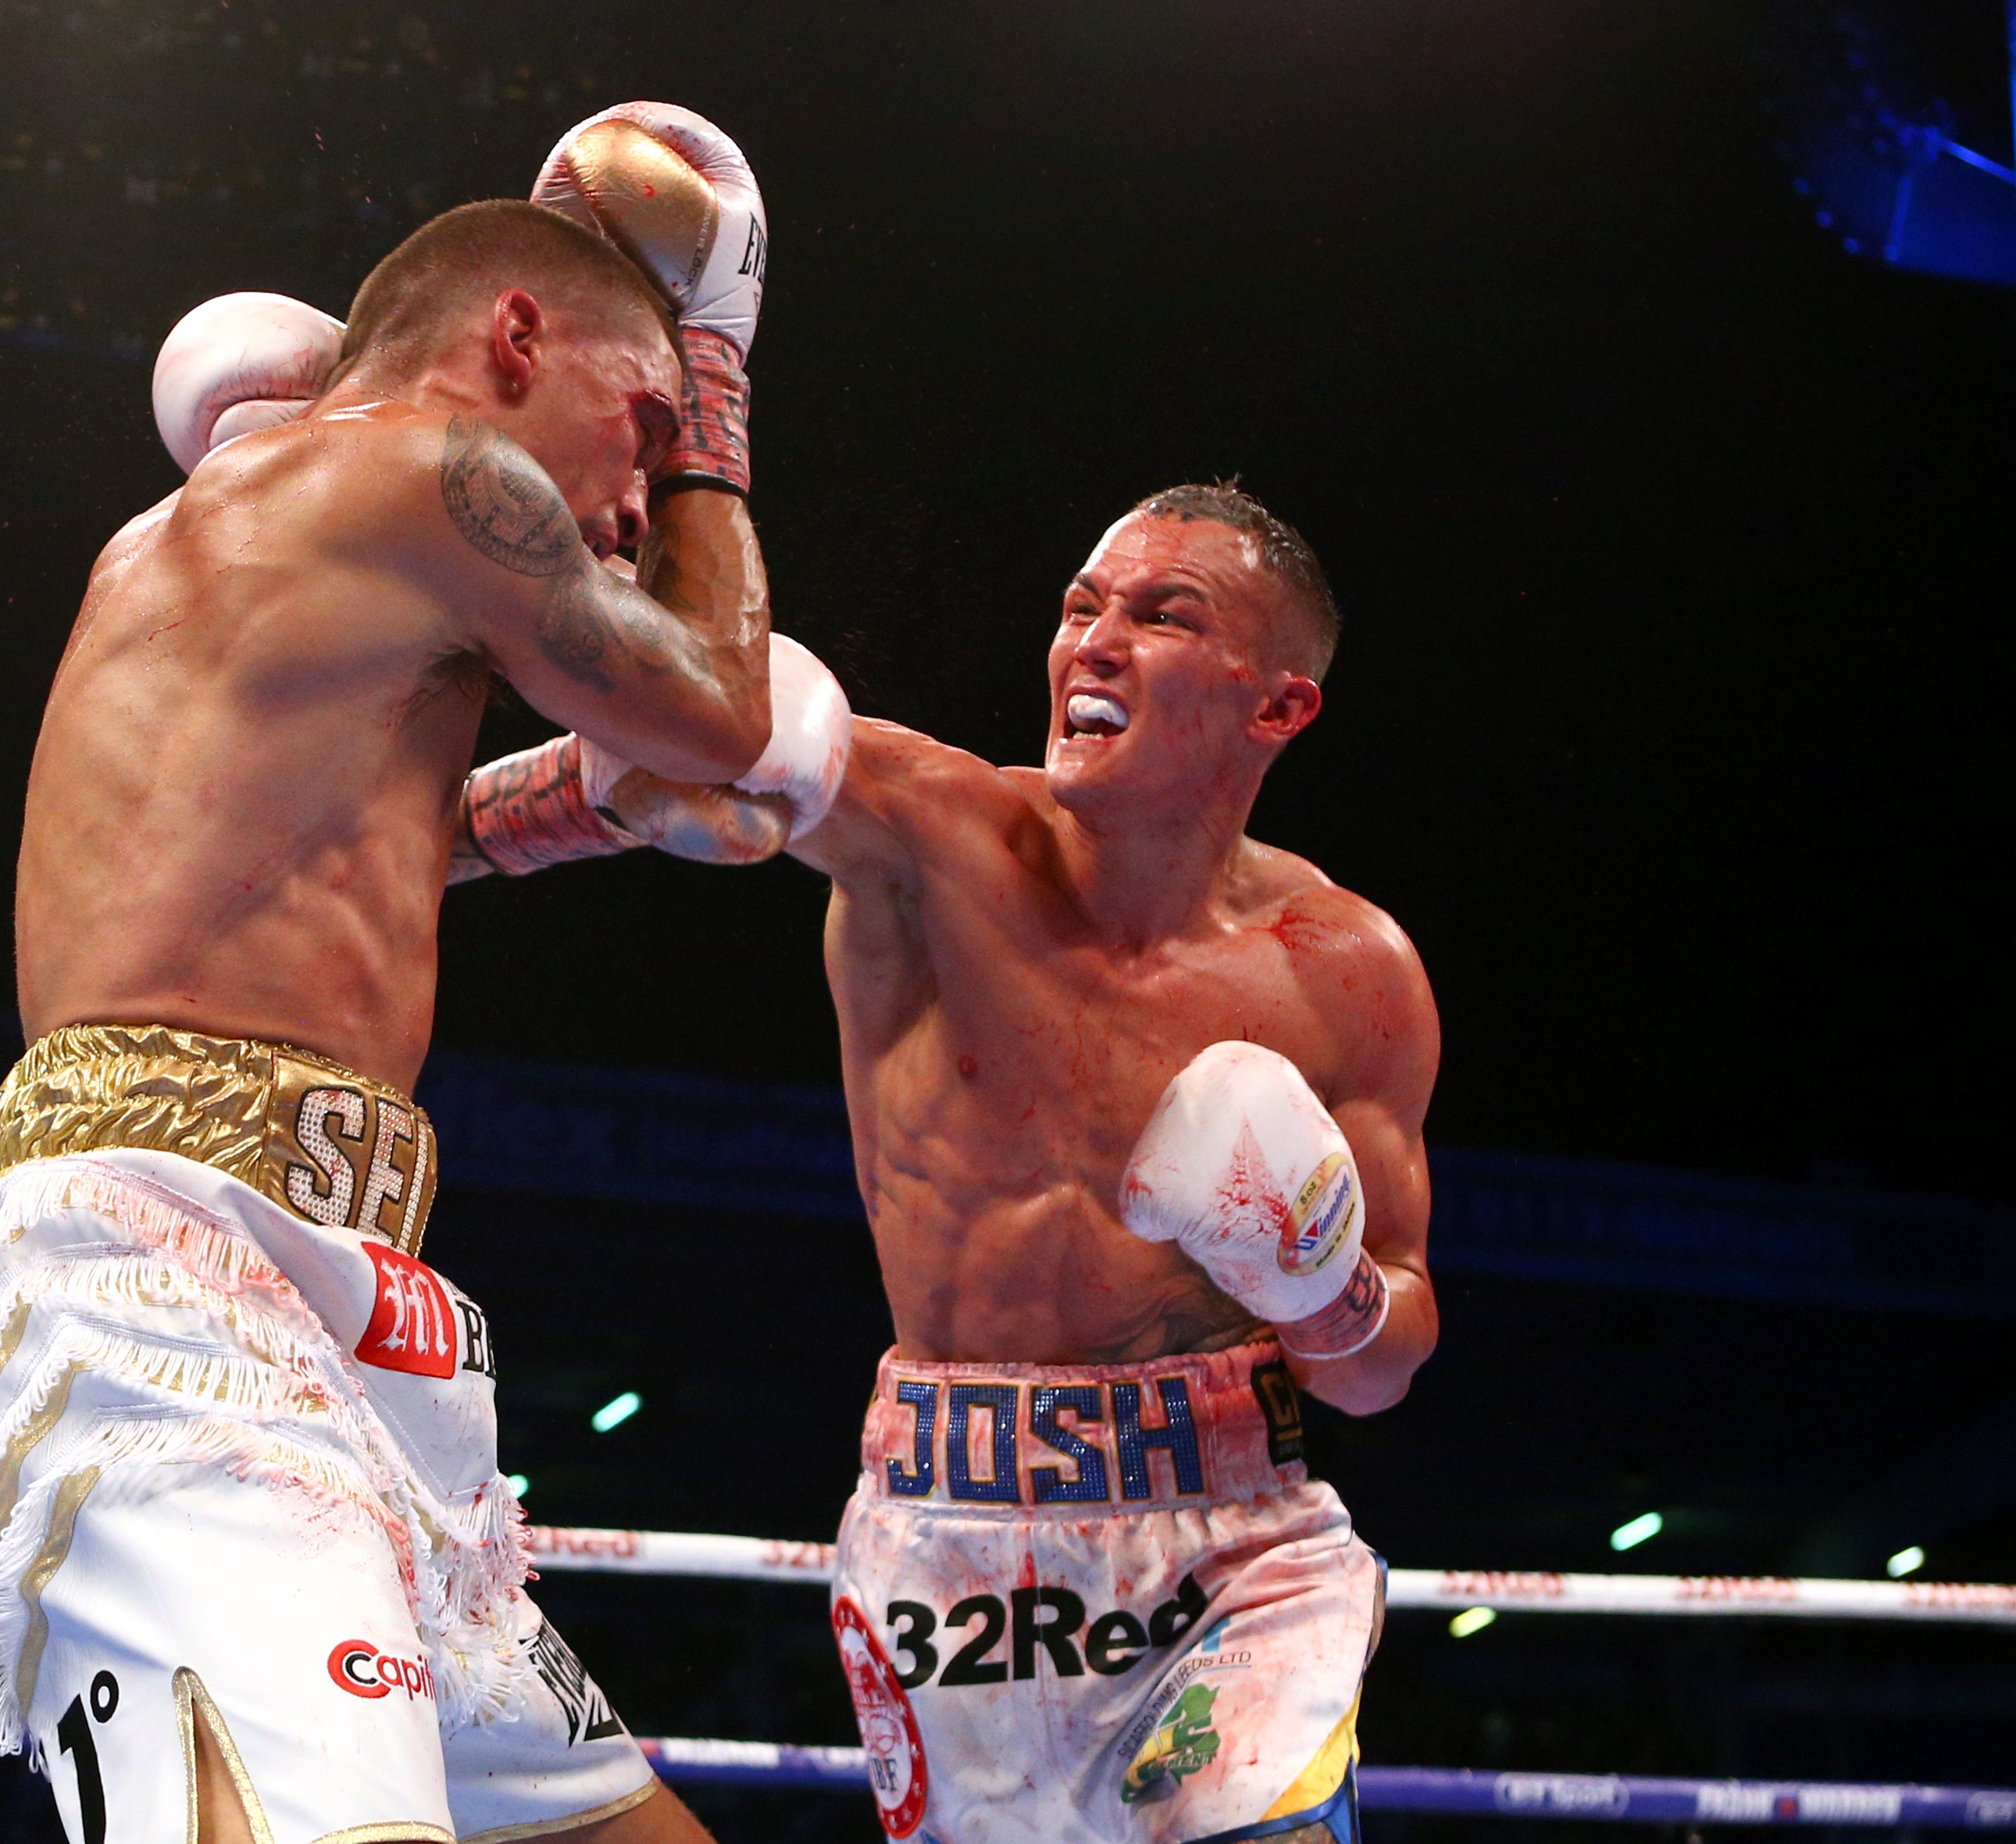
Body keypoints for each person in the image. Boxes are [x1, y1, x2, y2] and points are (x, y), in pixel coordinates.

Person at [0, 104, 850, 1844]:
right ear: (513, 337)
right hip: (164, 1300)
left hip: (332, 1304)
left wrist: (559, 808)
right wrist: (714, 368)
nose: (638, 498)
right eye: (633, 425)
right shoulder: (427, 473)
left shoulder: (247, 533)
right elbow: (719, 694)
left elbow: (312, 847)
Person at [453, 483, 1438, 1843]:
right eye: (1080, 606)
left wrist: (1321, 1282)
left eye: (1161, 615)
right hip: (951, 1534)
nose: (1091, 640)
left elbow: (1382, 1365)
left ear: (1277, 705)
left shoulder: (1346, 970)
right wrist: (419, 839)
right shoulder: (935, 837)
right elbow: (726, 725)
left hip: (1232, 1538)